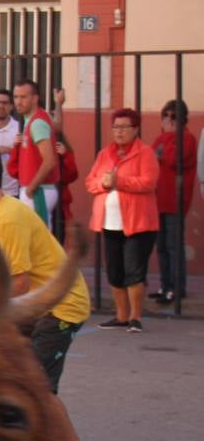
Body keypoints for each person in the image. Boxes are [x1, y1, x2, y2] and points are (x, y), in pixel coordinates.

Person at [0, 143, 91, 393]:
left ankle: (51, 430)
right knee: (5, 373)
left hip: (62, 309)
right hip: (36, 305)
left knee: (33, 390)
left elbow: (19, 284)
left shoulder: (7, 219)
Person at [86, 109, 160, 333]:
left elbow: (148, 182)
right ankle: (120, 316)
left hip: (138, 223)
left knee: (134, 271)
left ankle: (135, 316)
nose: (118, 132)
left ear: (135, 129)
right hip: (110, 222)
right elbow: (91, 182)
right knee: (115, 270)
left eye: (124, 127)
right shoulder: (104, 154)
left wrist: (120, 181)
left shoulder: (145, 153)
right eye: (115, 127)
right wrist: (105, 184)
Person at [149, 100, 196, 305]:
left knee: (173, 246)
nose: (168, 121)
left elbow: (173, 159)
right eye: (165, 116)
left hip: (175, 199)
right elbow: (152, 158)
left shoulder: (186, 139)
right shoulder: (161, 137)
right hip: (158, 199)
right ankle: (165, 285)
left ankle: (177, 288)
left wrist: (167, 137)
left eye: (172, 117)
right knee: (161, 247)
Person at [9, 80, 58, 227]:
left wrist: (31, 189)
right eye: (16, 97)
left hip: (38, 191)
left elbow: (49, 161)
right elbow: (58, 127)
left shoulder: (37, 123)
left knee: (40, 241)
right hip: (37, 190)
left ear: (35, 98)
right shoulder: (35, 119)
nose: (18, 101)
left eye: (23, 97)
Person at [0, 88, 22, 197]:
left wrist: (8, 150)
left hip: (14, 189)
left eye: (4, 103)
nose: (1, 106)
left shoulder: (19, 128)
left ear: (11, 106)